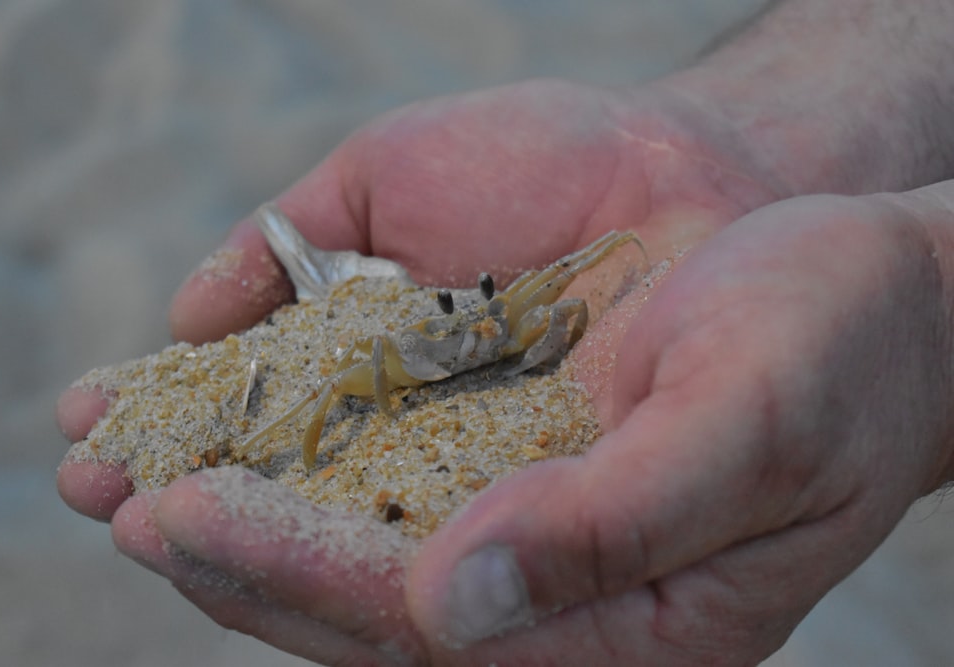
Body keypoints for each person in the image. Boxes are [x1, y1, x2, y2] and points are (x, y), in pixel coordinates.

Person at [56, 0, 954, 664]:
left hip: (480, 339)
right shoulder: (371, 364)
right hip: (395, 364)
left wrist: (930, 300)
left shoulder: (507, 314)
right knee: (323, 402)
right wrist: (745, 138)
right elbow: (338, 391)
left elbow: (560, 292)